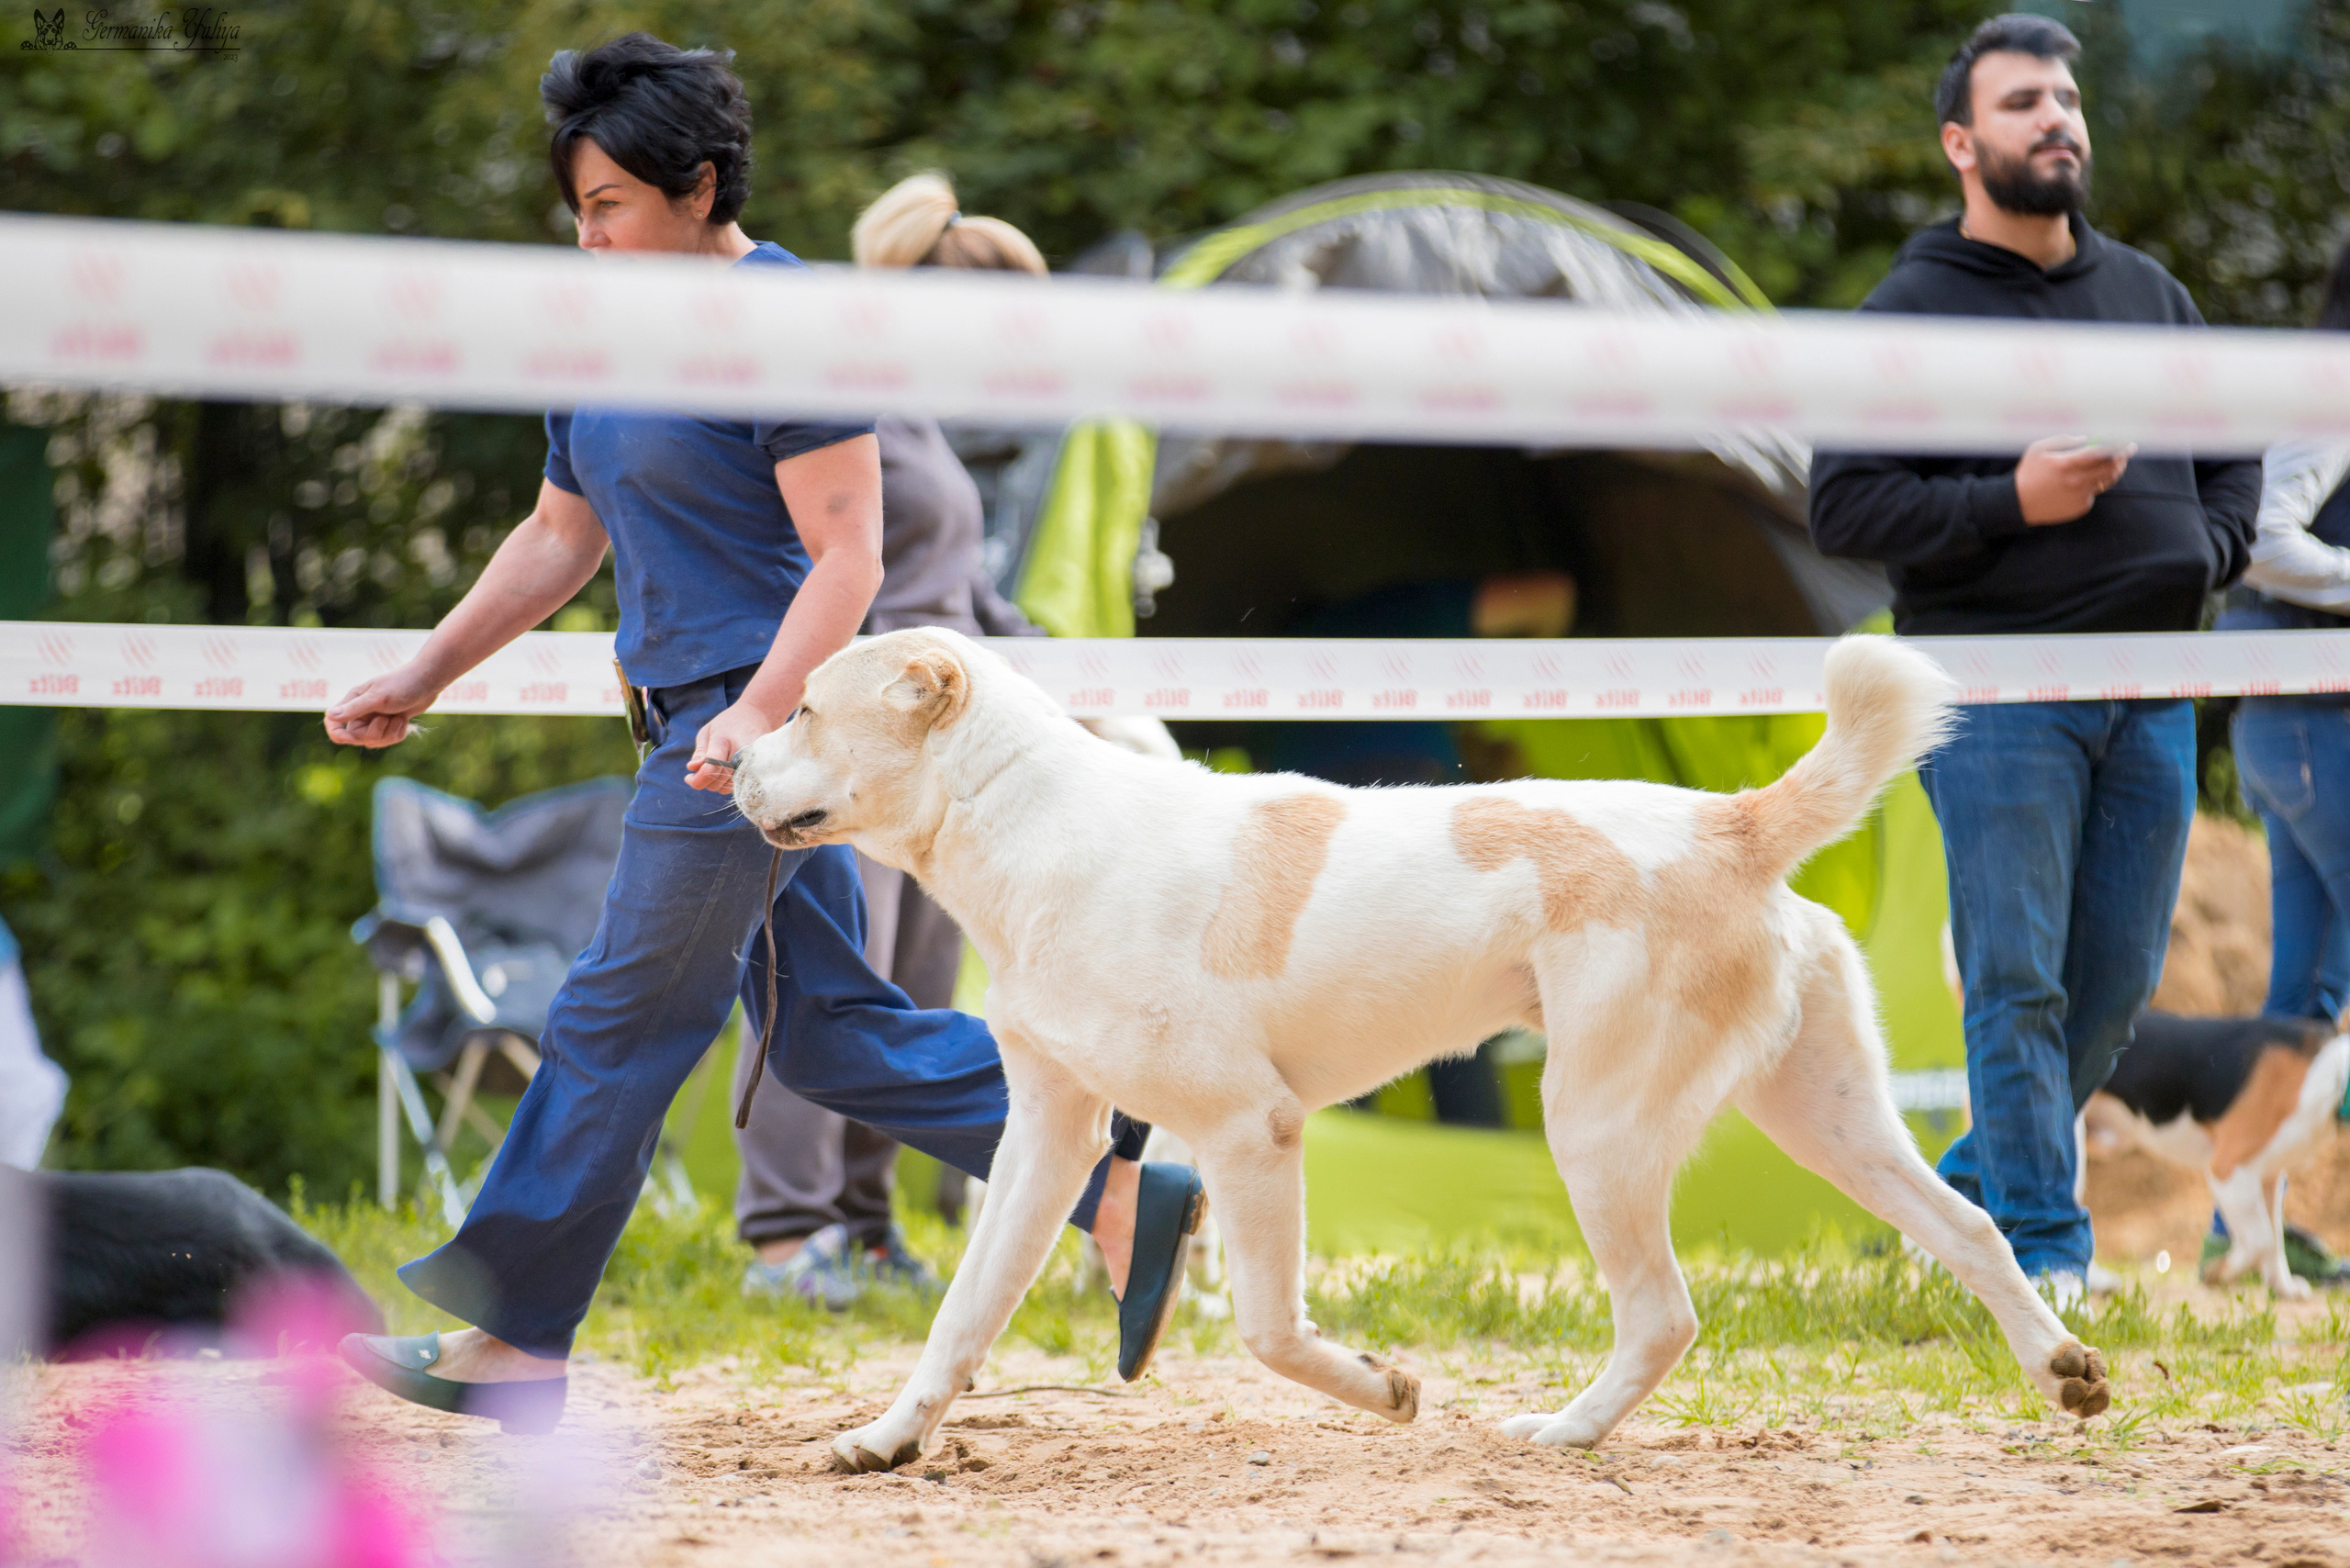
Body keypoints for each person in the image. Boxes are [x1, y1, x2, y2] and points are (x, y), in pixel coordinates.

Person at [324, 34, 1203, 1433]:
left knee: (617, 1014)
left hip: (755, 740)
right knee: (834, 1035)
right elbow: (561, 534)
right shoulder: (598, 342)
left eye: (610, 204)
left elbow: (846, 557)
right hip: (693, 723)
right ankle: (1117, 1177)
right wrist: (427, 669)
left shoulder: (790, 319)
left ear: (699, 187)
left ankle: (512, 1345)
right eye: (578, 209)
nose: (589, 234)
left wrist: (755, 714)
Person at [1807, 14, 2259, 1306]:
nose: (2057, 119)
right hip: (1996, 696)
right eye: (2022, 104)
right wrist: (2015, 499)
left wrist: (2214, 540)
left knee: (2110, 995)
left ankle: (1952, 1198)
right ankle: (2044, 1259)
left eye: (2067, 100)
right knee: (2017, 981)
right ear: (1962, 143)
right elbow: (1845, 513)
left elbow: (2234, 445)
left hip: (2154, 695)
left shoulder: (2152, 295)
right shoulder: (1909, 312)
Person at [734, 173, 1085, 1309]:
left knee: (918, 985)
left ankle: (869, 1223)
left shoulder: (921, 416)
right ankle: (786, 1237)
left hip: (938, 756)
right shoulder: (846, 399)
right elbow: (840, 572)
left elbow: (950, 588)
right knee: (835, 983)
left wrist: (1039, 656)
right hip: (853, 746)